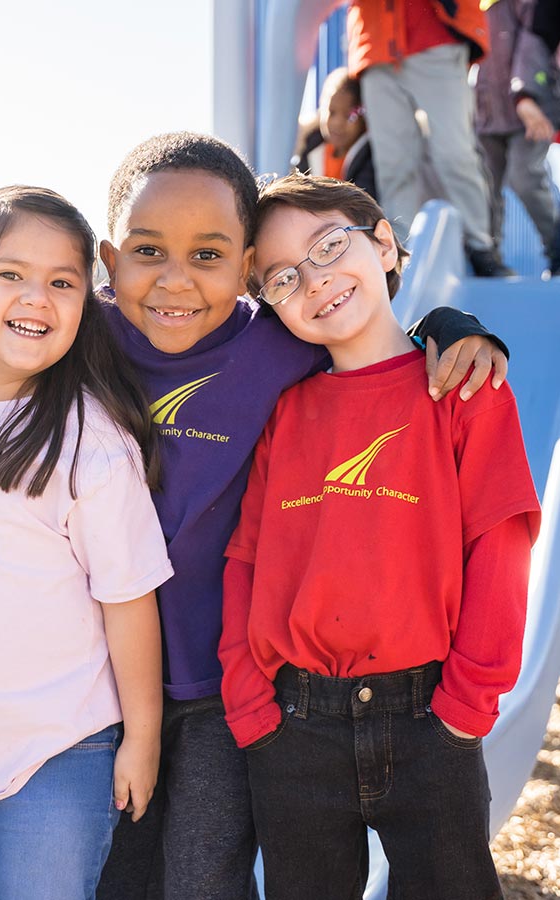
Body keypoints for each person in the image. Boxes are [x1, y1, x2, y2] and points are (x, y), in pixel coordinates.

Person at [0, 131, 511, 900]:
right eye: (147, 252)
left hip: (219, 686)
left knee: (203, 880)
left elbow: (360, 339)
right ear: (108, 264)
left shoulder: (279, 345)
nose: (176, 281)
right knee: (116, 880)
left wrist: (445, 327)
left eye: (209, 257)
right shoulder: (74, 324)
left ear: (245, 269)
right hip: (94, 697)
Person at [219, 172, 541, 899]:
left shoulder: (465, 386)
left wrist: (465, 708)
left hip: (430, 719)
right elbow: (245, 559)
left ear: (386, 242)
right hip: (294, 725)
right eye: (283, 278)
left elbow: (501, 542)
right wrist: (249, 701)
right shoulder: (282, 411)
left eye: (332, 245)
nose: (317, 279)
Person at [0, 185, 172, 900]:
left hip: (60, 751)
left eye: (62, 282)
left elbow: (129, 600)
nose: (37, 297)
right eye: (11, 274)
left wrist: (142, 739)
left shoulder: (92, 439)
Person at [347, 0, 514, 276]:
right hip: (375, 43)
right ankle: (400, 252)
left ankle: (481, 246)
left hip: (434, 35)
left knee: (454, 154)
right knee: (393, 163)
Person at [475, 0, 560, 279]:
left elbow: (534, 42)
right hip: (489, 111)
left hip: (531, 108)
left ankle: (556, 249)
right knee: (486, 184)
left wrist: (525, 94)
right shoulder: (479, 5)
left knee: (525, 175)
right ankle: (489, 257)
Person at [293, 67, 378, 200]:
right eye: (331, 112)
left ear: (364, 118)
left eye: (349, 116)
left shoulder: (369, 158)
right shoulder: (310, 149)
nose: (338, 123)